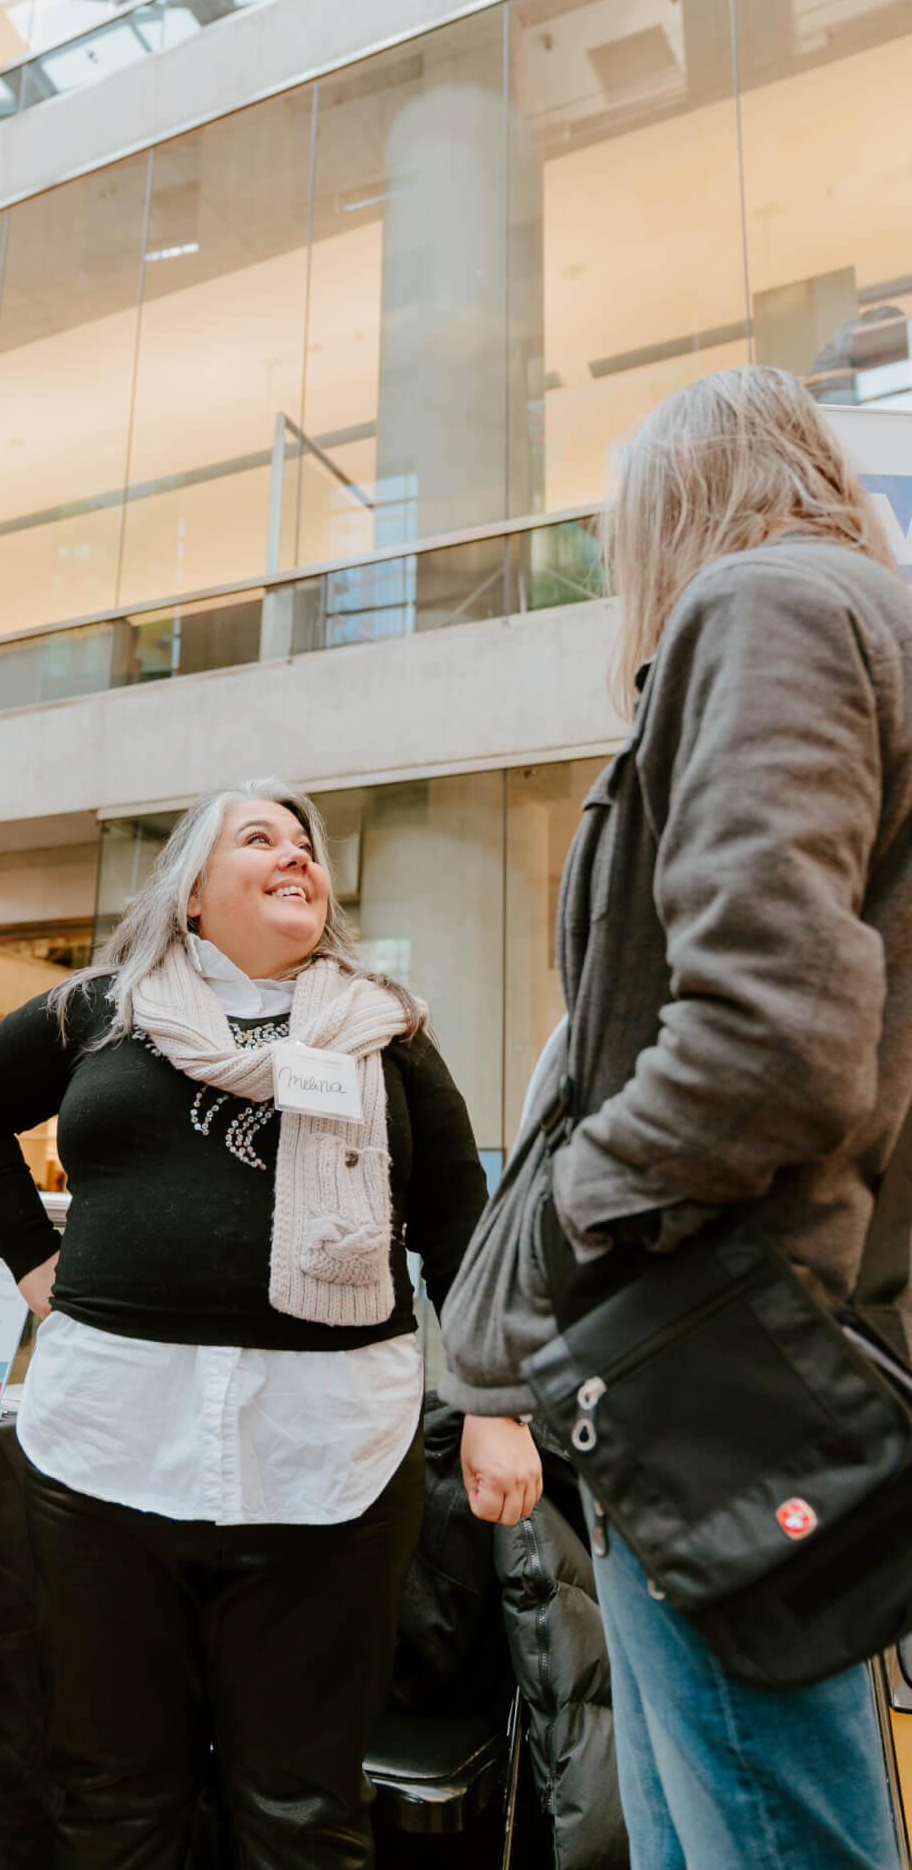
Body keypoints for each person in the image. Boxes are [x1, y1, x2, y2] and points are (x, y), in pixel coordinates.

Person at [440, 367, 912, 1870]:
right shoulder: (857, 619)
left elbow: (768, 1034)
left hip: (713, 1334)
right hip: (773, 1322)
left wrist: (576, 1234)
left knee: (750, 1829)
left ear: (675, 505)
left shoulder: (767, 605)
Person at [0, 779, 542, 1869]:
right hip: (107, 1447)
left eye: (306, 844)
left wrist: (496, 1403)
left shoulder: (385, 1031)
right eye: (259, 837)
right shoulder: (102, 1008)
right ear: (192, 893)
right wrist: (32, 1259)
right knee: (108, 1796)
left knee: (304, 1809)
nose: (297, 854)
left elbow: (461, 1221)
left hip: (331, 1457)